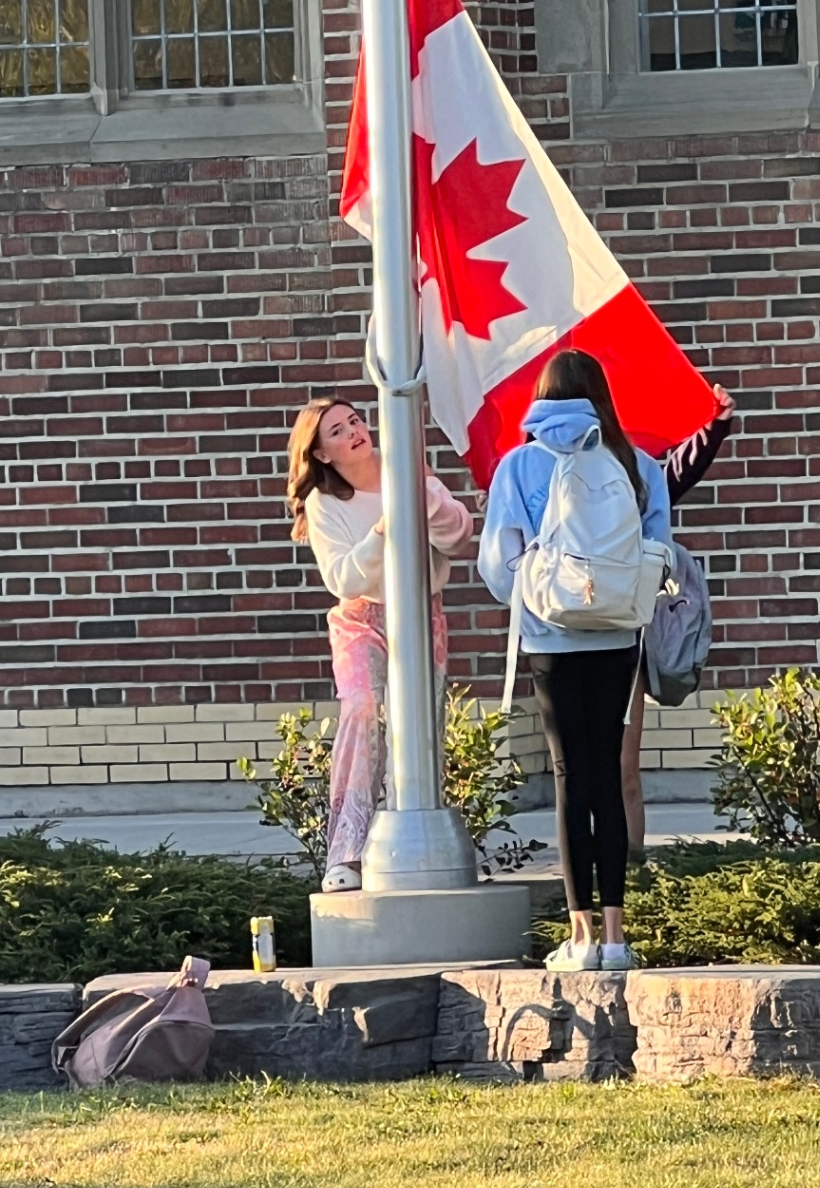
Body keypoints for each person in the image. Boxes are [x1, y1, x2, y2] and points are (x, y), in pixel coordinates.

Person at [479, 350, 671, 971]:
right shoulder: (636, 464)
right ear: (600, 397)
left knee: (570, 779)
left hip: (549, 639)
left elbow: (498, 571)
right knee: (608, 776)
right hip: (617, 636)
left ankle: (581, 937)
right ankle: (617, 939)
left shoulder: (519, 465)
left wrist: (537, 586)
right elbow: (659, 551)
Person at [287, 396, 472, 894]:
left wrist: (421, 497)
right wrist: (382, 529)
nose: (353, 431)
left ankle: (404, 843)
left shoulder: (407, 471)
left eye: (354, 421)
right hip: (361, 619)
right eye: (337, 431)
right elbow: (343, 577)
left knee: (420, 727)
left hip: (419, 611)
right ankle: (345, 852)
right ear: (322, 454)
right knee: (363, 710)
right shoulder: (327, 502)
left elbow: (458, 537)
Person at [623, 383, 735, 855]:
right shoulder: (543, 469)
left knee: (622, 770)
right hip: (562, 642)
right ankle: (588, 893)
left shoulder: (631, 474)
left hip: (622, 635)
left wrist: (713, 427)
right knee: (581, 772)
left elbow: (668, 482)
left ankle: (627, 881)